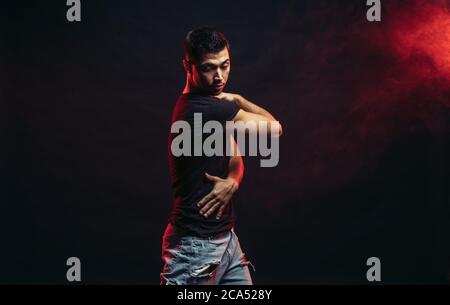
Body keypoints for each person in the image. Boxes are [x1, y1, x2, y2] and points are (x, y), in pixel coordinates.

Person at [161, 26, 282, 285]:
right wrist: (236, 99)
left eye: (225, 65)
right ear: (188, 66)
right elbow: (275, 128)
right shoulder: (202, 110)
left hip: (226, 242)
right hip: (195, 251)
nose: (219, 77)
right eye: (208, 68)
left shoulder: (213, 107)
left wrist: (233, 181)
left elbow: (235, 158)